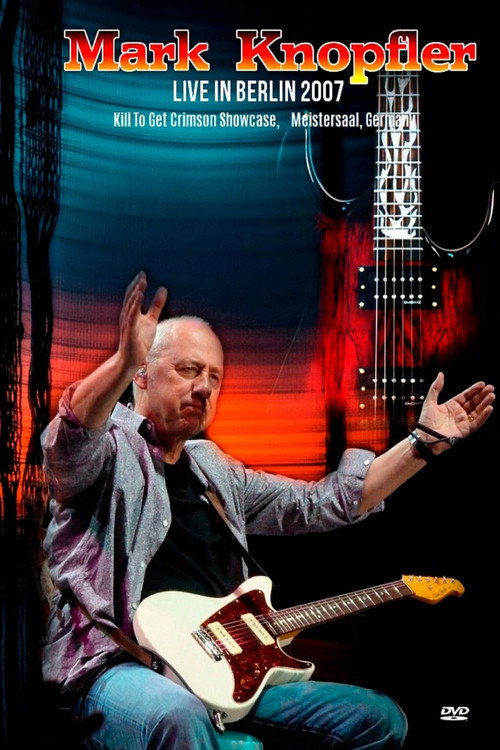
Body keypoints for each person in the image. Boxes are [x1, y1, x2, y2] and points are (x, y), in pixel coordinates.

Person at [41, 271, 495, 749]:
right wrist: (120, 361)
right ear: (142, 374)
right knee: (178, 716)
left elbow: (322, 503)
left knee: (376, 718)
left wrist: (422, 445)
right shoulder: (108, 450)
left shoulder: (214, 469)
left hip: (225, 670)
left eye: (214, 377)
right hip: (120, 665)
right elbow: (70, 439)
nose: (204, 388)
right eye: (189, 370)